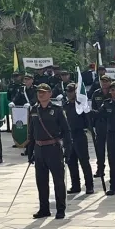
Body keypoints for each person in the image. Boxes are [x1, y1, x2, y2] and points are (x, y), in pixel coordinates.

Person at [29, 83, 72, 219]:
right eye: (38, 92)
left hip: (53, 148)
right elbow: (31, 132)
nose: (40, 94)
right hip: (39, 149)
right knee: (41, 181)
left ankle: (60, 209)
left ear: (50, 94)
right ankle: (44, 208)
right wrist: (30, 152)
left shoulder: (57, 110)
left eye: (43, 92)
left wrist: (67, 149)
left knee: (58, 181)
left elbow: (66, 131)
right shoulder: (34, 110)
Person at [64, 83, 94, 194]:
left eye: (71, 91)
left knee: (84, 162)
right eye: (67, 91)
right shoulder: (65, 105)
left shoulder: (81, 105)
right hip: (69, 136)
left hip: (79, 135)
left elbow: (88, 121)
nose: (69, 93)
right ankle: (75, 185)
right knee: (71, 162)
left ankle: (89, 186)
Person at [90, 76, 113, 179]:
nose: (104, 83)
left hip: (111, 124)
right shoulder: (96, 93)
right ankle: (100, 168)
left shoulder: (113, 92)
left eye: (106, 82)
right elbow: (94, 110)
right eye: (102, 81)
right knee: (100, 149)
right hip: (100, 124)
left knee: (112, 149)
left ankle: (114, 167)